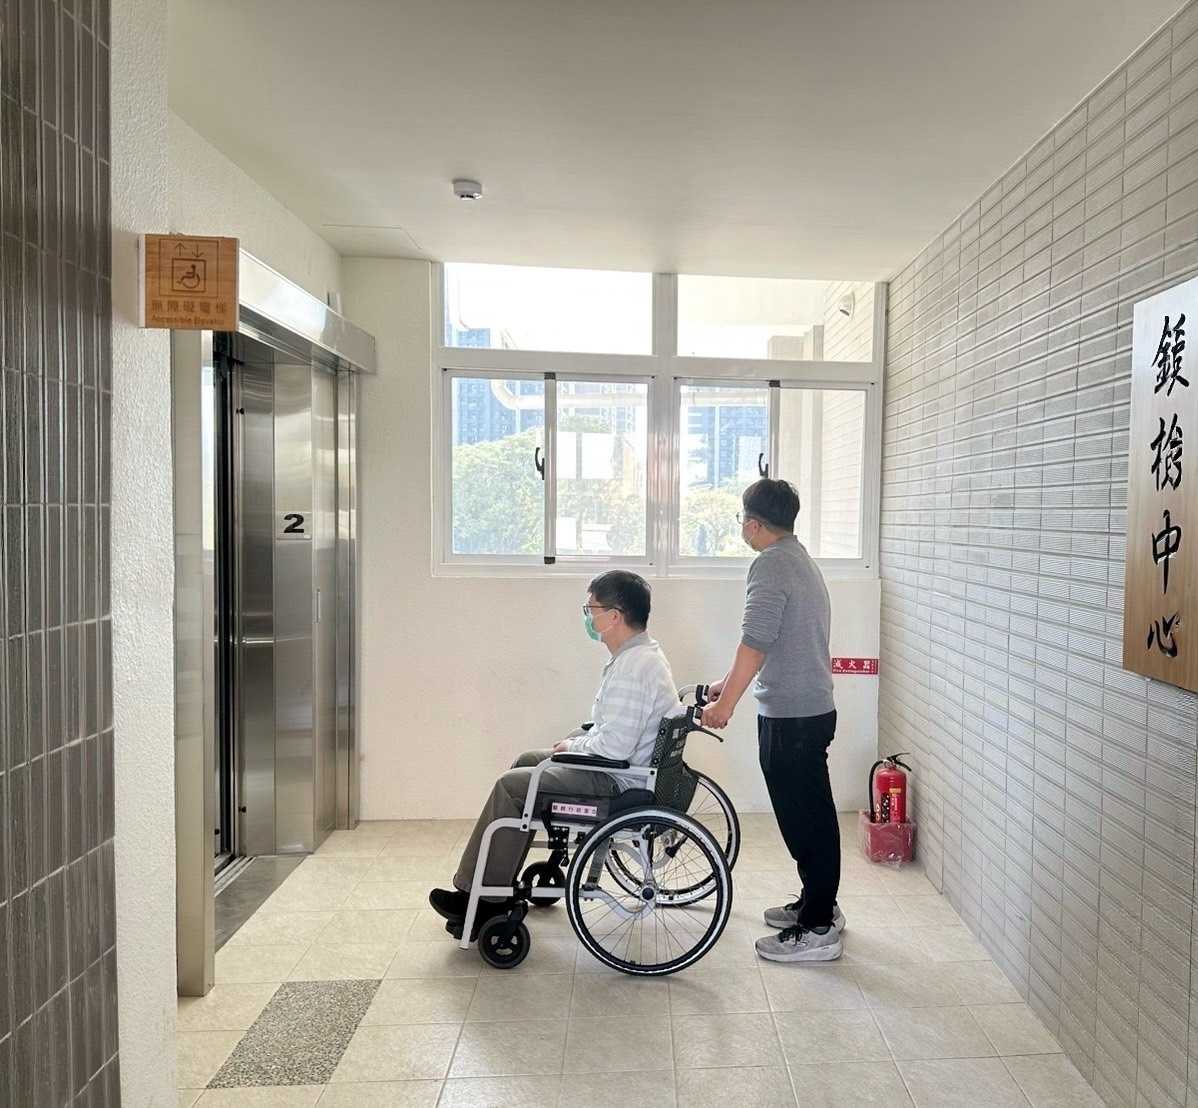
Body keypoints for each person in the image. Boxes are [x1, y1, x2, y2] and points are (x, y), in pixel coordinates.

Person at [429, 570, 682, 931]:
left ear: (614, 616)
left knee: (511, 787)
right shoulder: (642, 656)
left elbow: (615, 746)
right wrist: (578, 739)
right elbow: (616, 728)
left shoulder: (633, 667)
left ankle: (482, 899)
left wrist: (573, 745)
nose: (587, 617)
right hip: (622, 770)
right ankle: (495, 883)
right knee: (526, 763)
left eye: (591, 609)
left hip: (616, 781)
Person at [701, 478, 844, 963]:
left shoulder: (771, 564)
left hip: (793, 716)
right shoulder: (796, 557)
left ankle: (818, 927)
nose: (742, 527)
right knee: (809, 816)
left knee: (807, 820)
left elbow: (756, 641)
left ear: (754, 523)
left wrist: (726, 705)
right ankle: (818, 903)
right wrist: (725, 683)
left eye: (742, 519)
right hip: (805, 708)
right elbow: (768, 640)